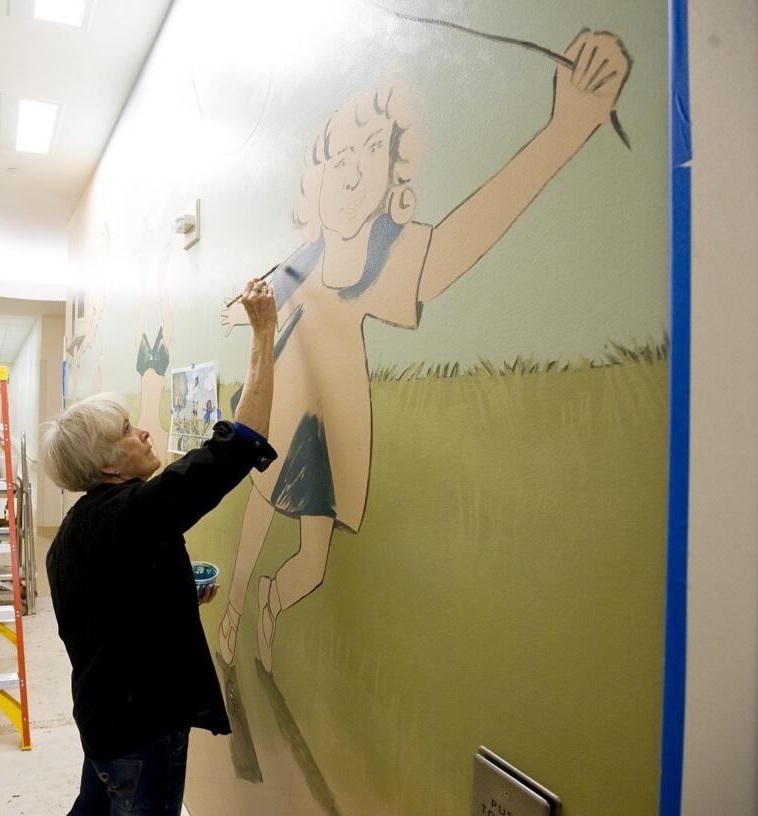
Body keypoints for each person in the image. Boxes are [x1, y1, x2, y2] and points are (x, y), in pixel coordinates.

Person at [216, 29, 631, 672]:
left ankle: (271, 598)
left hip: (334, 427)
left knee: (314, 562)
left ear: (392, 177)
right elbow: (262, 302)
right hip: (287, 409)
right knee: (258, 510)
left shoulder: (387, 257)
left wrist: (565, 129)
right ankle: (236, 604)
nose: (353, 169)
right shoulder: (299, 265)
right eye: (339, 155)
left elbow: (461, 239)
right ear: (315, 179)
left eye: (373, 149)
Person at [43, 278, 277, 815]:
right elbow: (240, 445)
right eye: (128, 429)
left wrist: (172, 598)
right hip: (142, 733)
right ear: (108, 465)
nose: (145, 433)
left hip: (103, 722)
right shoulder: (136, 514)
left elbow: (106, 612)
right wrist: (262, 332)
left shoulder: (77, 530)